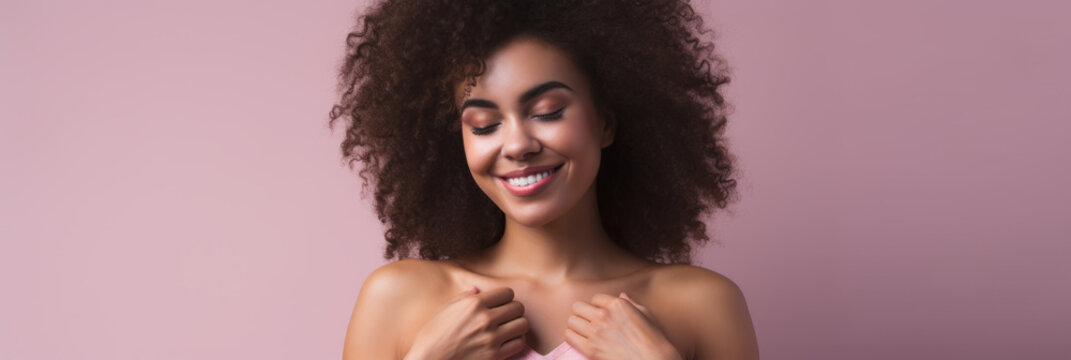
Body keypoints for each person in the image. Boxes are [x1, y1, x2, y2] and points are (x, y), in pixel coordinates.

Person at [330, 0, 758, 359]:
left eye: (549, 112)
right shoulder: (398, 298)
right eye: (483, 124)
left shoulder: (703, 305)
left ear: (605, 124)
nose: (517, 145)